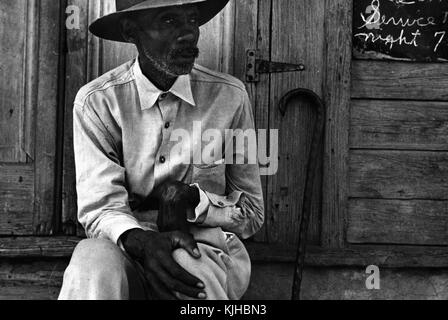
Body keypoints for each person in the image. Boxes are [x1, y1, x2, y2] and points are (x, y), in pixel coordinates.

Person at [58, 0, 264, 300]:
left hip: (202, 248)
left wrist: (194, 199)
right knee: (92, 261)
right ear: (132, 31)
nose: (188, 34)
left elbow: (252, 213)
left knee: (187, 270)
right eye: (168, 20)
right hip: (125, 246)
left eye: (192, 19)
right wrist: (142, 241)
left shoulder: (229, 97)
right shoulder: (98, 103)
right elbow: (100, 207)